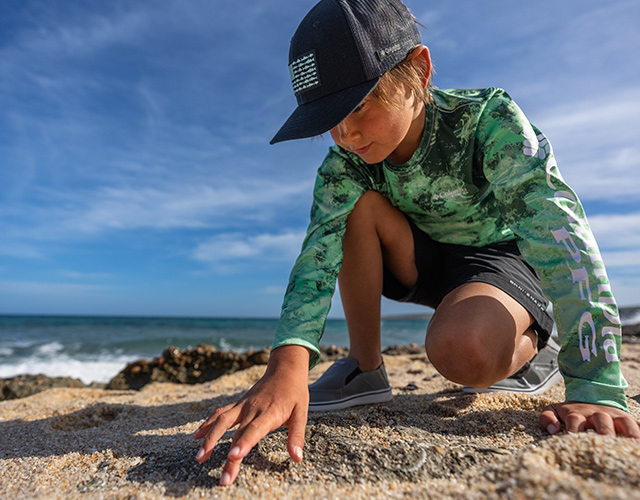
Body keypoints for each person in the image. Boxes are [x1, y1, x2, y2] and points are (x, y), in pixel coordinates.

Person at [193, 0, 640, 486]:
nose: (346, 133)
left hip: (503, 261)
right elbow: (317, 256)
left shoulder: (485, 118)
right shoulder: (345, 164)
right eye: (330, 118)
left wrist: (595, 379)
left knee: (461, 352)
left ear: (419, 71)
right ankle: (365, 369)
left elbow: (559, 231)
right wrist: (287, 366)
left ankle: (537, 346)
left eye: (359, 104)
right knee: (354, 209)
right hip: (420, 258)